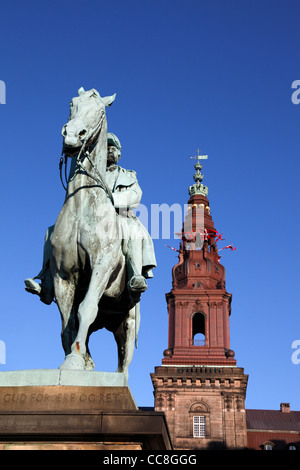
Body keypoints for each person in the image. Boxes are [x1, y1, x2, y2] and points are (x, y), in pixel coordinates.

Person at [25, 132, 156, 304]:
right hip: (91, 217)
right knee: (52, 231)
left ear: (119, 154)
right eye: (106, 147)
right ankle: (47, 282)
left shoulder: (128, 175)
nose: (109, 151)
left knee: (134, 232)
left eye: (113, 148)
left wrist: (112, 200)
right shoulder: (91, 172)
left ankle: (136, 277)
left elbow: (135, 195)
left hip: (119, 215)